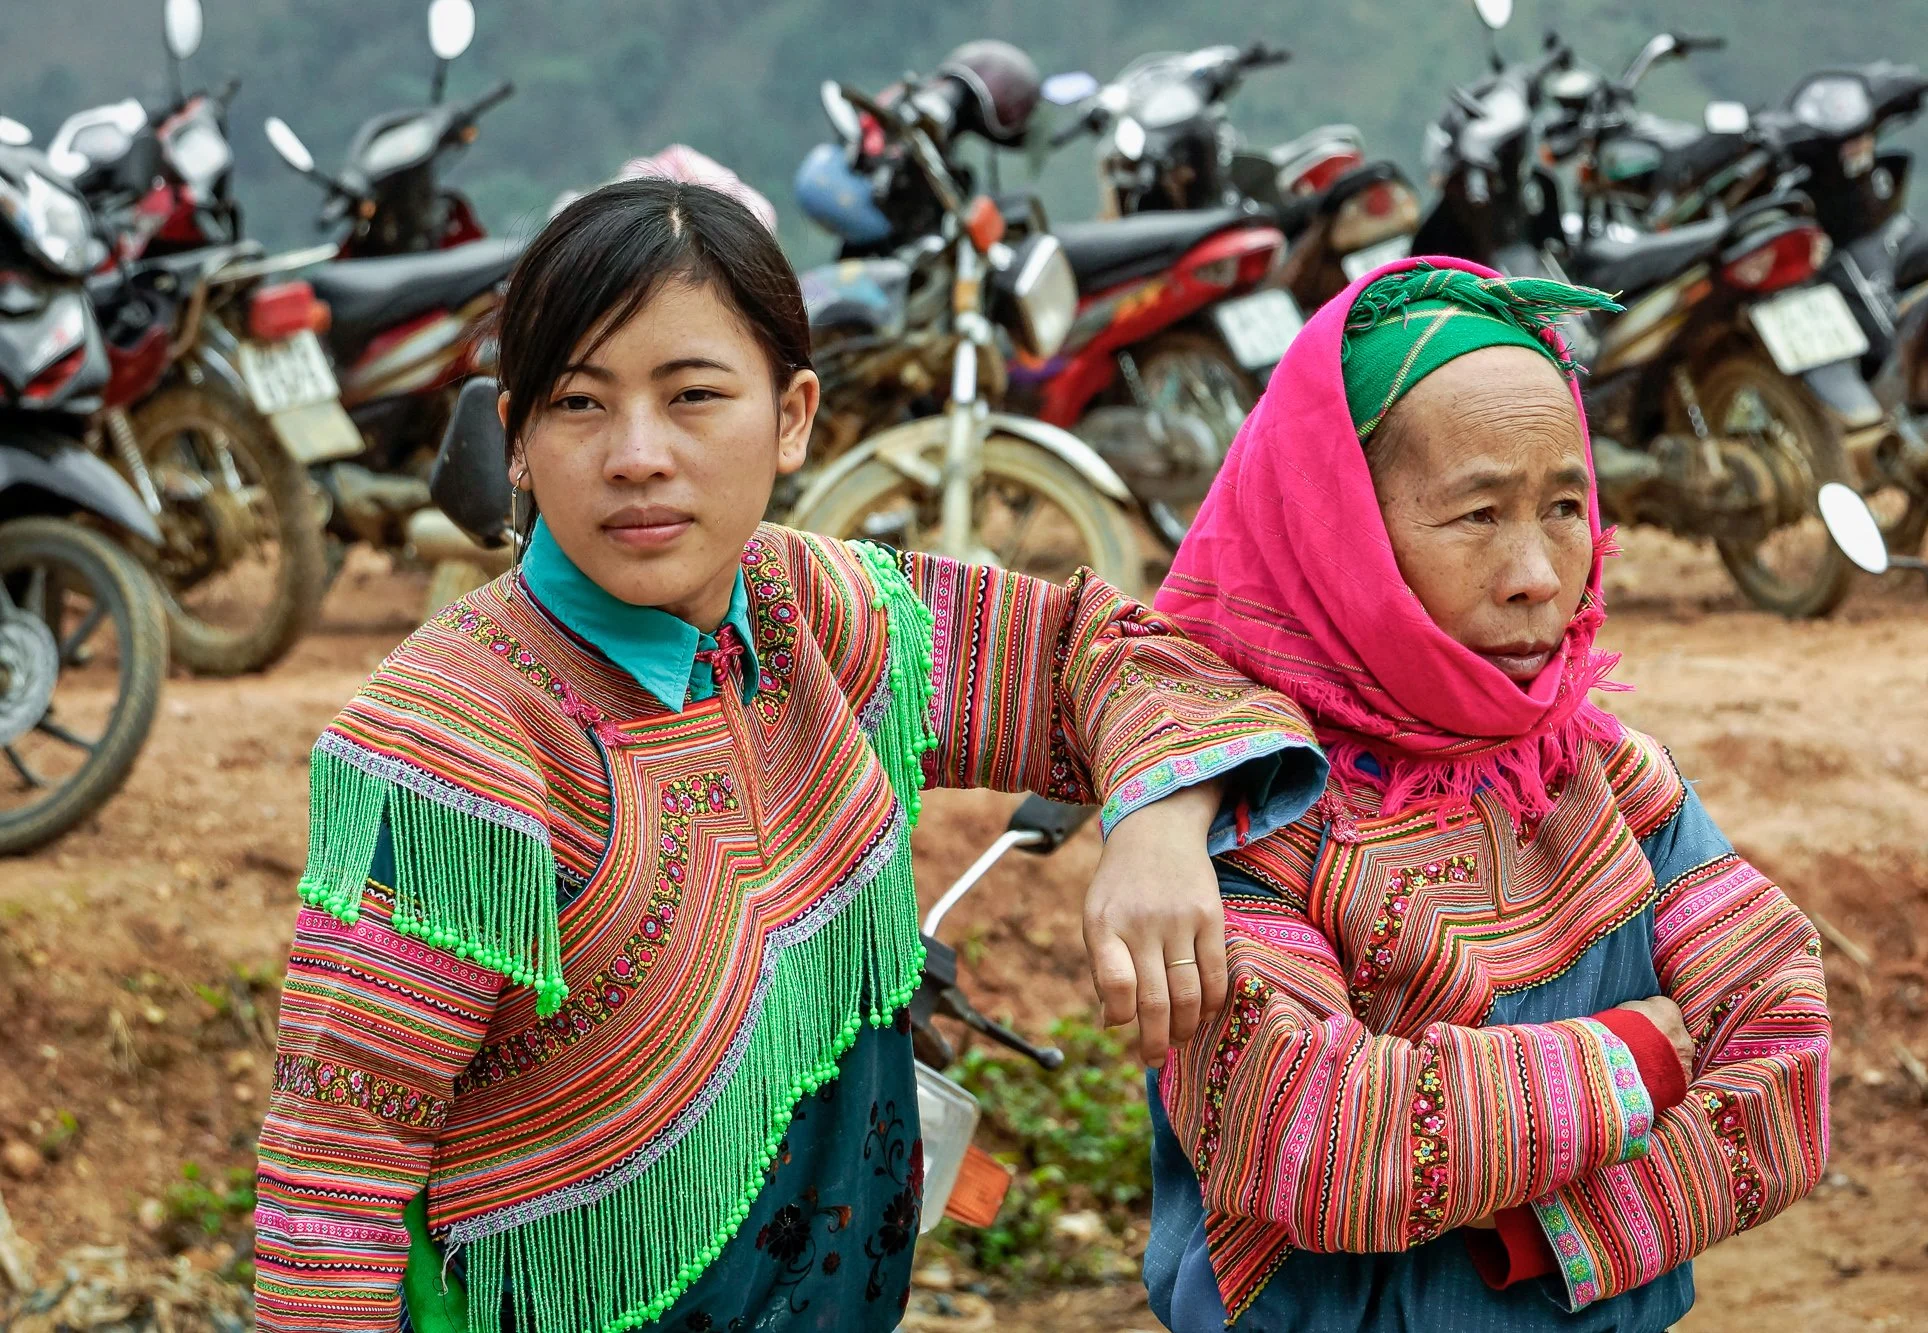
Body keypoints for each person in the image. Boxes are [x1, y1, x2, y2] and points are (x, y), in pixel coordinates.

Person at [252, 178, 1328, 1333]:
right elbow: (337, 1171)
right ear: (514, 439)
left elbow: (1098, 651)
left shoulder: (812, 605)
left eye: (694, 394)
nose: (636, 455)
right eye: (577, 402)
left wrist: (1157, 820)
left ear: (793, 414)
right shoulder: (450, 739)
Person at [1144, 258, 1832, 1331]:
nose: (1538, 575)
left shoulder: (1613, 782)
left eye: (1563, 505)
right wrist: (1639, 1055)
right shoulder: (1245, 821)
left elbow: (1783, 1048)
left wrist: (1540, 1227)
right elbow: (1312, 1139)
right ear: (1335, 529)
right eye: (1473, 515)